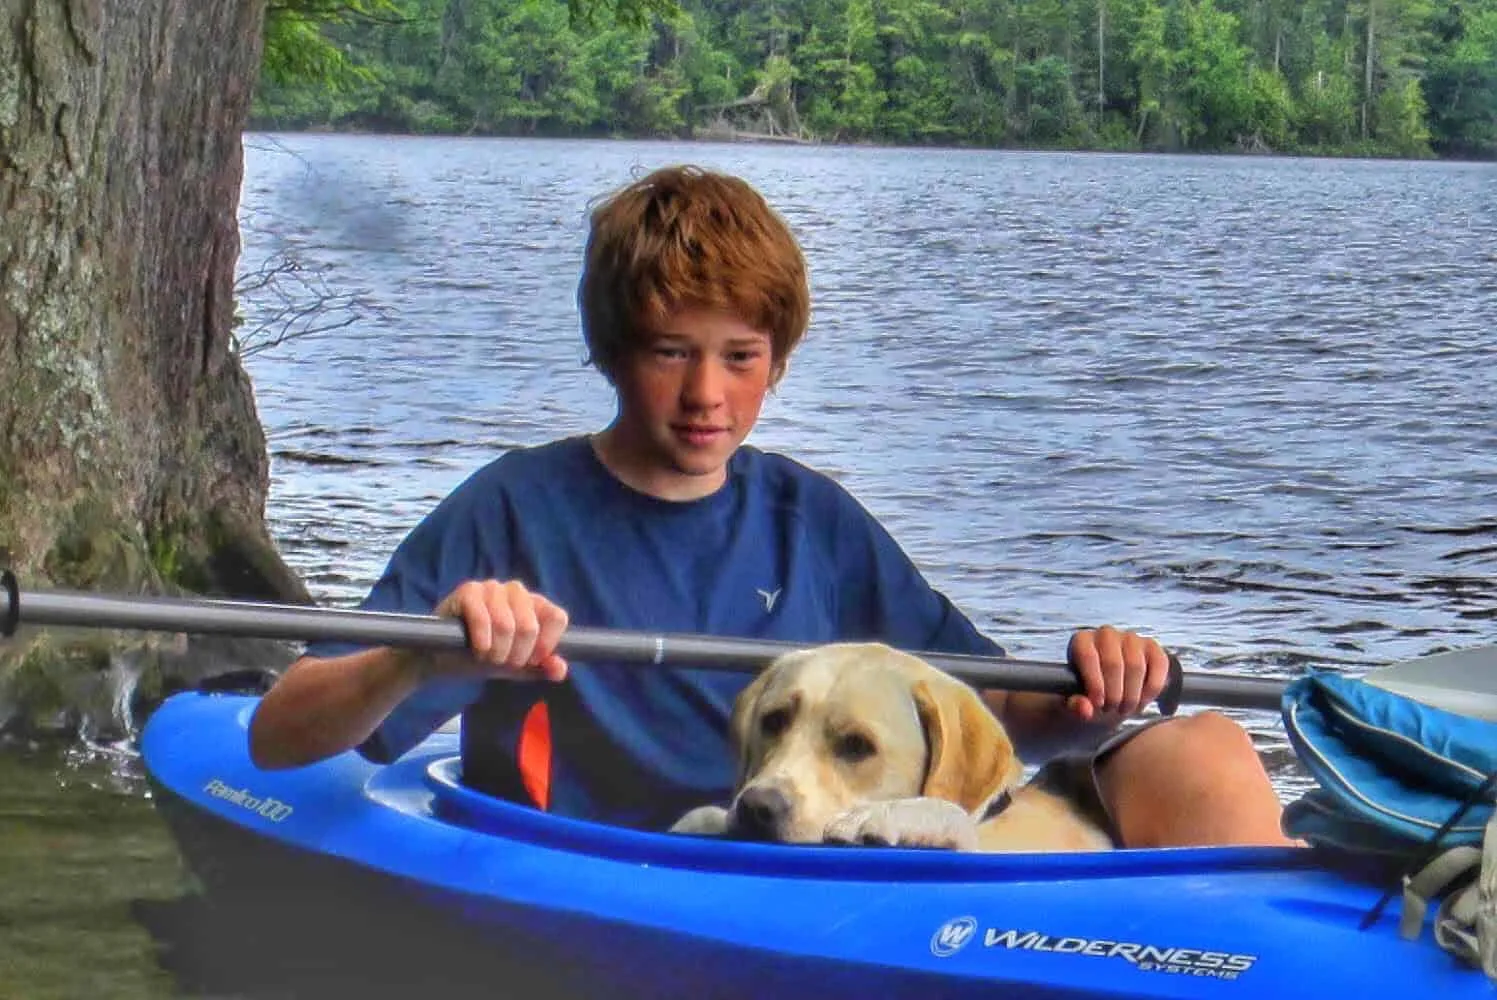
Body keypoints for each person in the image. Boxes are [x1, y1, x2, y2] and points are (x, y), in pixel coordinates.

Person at [248, 165, 1293, 848]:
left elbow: (997, 711)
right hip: (620, 865)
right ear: (614, 353)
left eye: (739, 357)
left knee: (1195, 750)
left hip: (807, 867)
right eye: (671, 353)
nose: (707, 395)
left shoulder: (813, 523)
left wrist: (1093, 690)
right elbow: (282, 737)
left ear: (778, 364)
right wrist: (422, 657)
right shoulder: (512, 511)